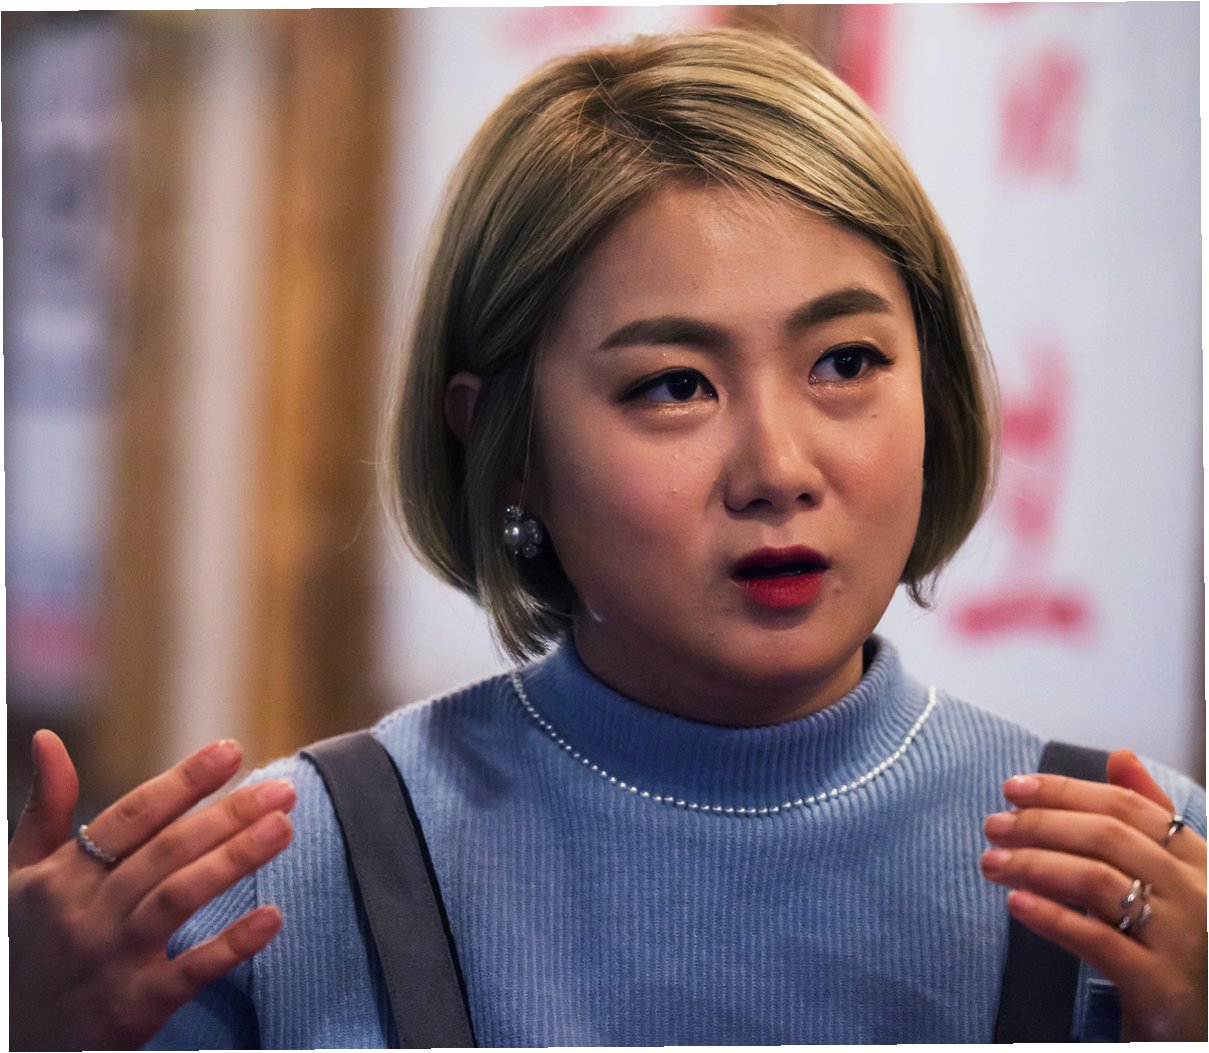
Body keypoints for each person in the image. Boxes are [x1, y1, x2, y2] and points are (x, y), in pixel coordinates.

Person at [9, 28, 1205, 1049]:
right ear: (508, 447)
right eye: (674, 386)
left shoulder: (1150, 877)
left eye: (846, 363)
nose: (780, 471)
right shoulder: (282, 883)